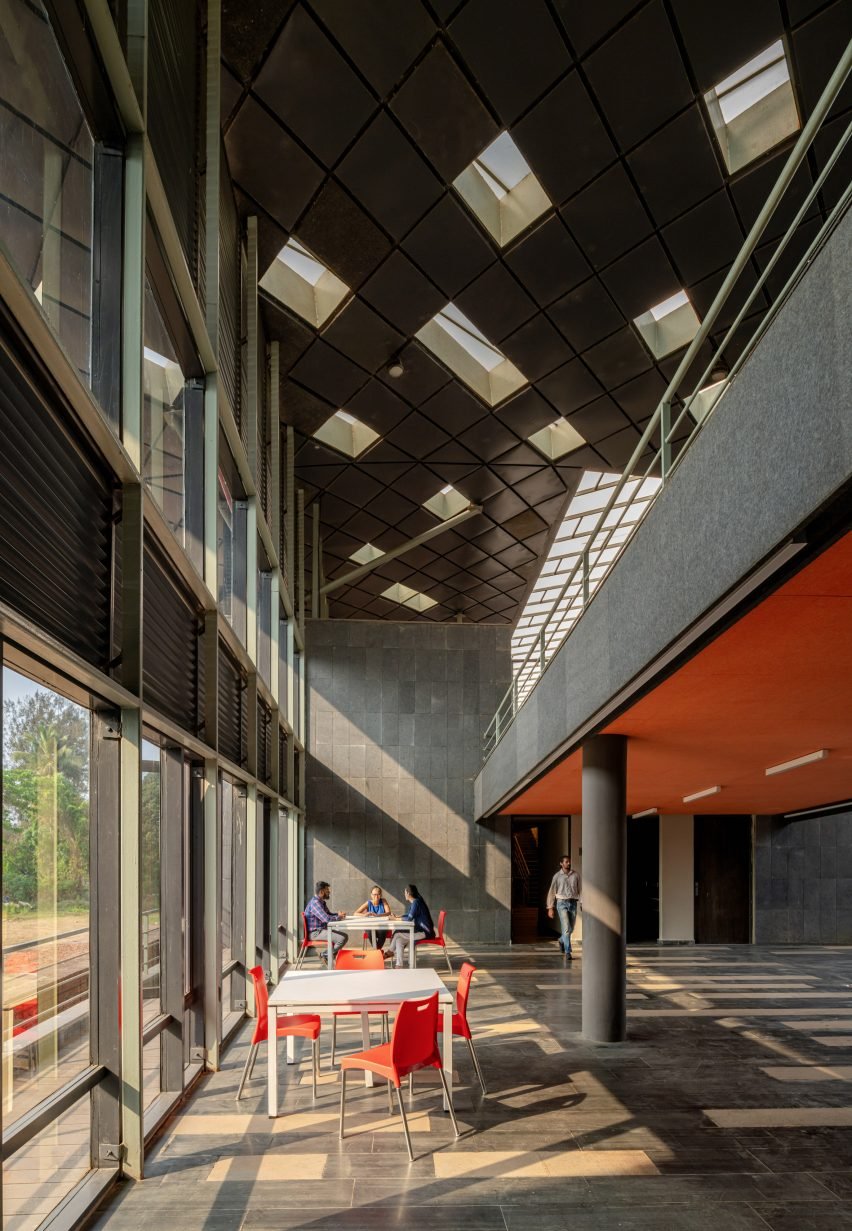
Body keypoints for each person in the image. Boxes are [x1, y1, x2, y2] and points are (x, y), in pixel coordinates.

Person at [390, 883, 434, 968]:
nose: (404, 894)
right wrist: (398, 916)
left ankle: (389, 952)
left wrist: (395, 919)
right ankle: (399, 965)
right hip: (420, 930)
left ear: (408, 893)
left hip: (425, 932)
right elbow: (409, 914)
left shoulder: (416, 902)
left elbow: (409, 918)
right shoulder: (416, 901)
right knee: (399, 940)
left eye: (405, 892)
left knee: (397, 933)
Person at [546, 855, 581, 959]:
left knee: (571, 928)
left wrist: (582, 902)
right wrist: (550, 907)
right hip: (561, 903)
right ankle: (568, 952)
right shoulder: (557, 876)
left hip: (573, 903)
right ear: (561, 863)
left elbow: (581, 889)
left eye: (569, 862)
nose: (568, 863)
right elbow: (552, 892)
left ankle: (561, 940)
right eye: (566, 862)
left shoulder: (576, 875)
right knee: (566, 928)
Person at [305, 880, 347, 963]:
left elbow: (329, 914)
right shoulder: (315, 903)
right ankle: (325, 955)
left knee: (344, 936)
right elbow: (327, 919)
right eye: (327, 890)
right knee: (342, 938)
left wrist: (338, 915)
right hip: (315, 933)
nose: (329, 892)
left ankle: (329, 957)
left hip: (321, 930)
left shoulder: (321, 902)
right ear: (321, 891)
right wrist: (338, 917)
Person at [353, 885, 392, 953]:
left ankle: (376, 952)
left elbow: (388, 913)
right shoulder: (368, 903)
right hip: (371, 927)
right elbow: (355, 913)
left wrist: (378, 915)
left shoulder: (383, 901)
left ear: (381, 895)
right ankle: (378, 952)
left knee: (382, 930)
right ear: (371, 895)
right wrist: (364, 915)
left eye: (378, 894)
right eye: (374, 894)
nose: (376, 896)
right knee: (368, 930)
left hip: (382, 927)